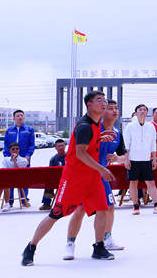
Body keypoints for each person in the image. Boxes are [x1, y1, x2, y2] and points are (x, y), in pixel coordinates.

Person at [21, 91, 117, 266]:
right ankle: (30, 248)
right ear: (89, 105)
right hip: (74, 178)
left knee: (103, 209)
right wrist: (102, 169)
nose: (104, 103)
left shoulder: (96, 124)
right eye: (99, 100)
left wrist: (99, 139)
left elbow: (88, 146)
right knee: (56, 214)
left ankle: (99, 247)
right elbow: (80, 154)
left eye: (104, 100)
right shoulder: (84, 126)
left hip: (92, 178)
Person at [64, 99, 127, 259]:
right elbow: (80, 152)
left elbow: (125, 156)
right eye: (110, 108)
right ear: (102, 111)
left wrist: (118, 158)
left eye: (116, 108)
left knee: (109, 208)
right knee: (80, 210)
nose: (114, 111)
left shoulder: (118, 133)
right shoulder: (92, 128)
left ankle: (107, 240)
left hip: (101, 176)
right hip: (85, 175)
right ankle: (70, 244)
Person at [124, 104, 157, 215]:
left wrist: (154, 159)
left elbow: (153, 144)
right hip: (133, 159)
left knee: (151, 182)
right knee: (133, 182)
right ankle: (135, 205)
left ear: (147, 113)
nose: (142, 111)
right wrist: (126, 159)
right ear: (136, 113)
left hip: (146, 159)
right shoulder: (129, 127)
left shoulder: (150, 127)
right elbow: (126, 144)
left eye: (144, 110)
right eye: (140, 110)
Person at [4, 109, 35, 206]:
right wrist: (7, 157)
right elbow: (6, 145)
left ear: (24, 117)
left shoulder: (29, 130)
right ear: (14, 118)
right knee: (9, 179)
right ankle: (10, 201)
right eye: (18, 116)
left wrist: (28, 155)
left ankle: (24, 200)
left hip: (24, 158)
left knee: (24, 179)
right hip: (11, 158)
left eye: (21, 115)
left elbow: (32, 144)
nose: (20, 117)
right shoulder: (9, 130)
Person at [39, 139, 68, 211]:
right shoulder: (53, 159)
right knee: (48, 182)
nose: (61, 148)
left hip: (68, 178)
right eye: (59, 146)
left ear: (65, 146)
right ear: (55, 147)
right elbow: (50, 171)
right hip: (57, 179)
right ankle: (46, 203)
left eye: (62, 146)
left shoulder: (69, 156)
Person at [0, 142, 29, 211]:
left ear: (19, 150)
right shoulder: (5, 159)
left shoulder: (24, 160)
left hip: (19, 180)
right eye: (13, 149)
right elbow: (4, 171)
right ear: (10, 150)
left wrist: (14, 161)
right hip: (8, 180)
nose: (15, 150)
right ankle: (8, 203)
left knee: (5, 182)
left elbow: (19, 171)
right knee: (5, 181)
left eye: (17, 149)